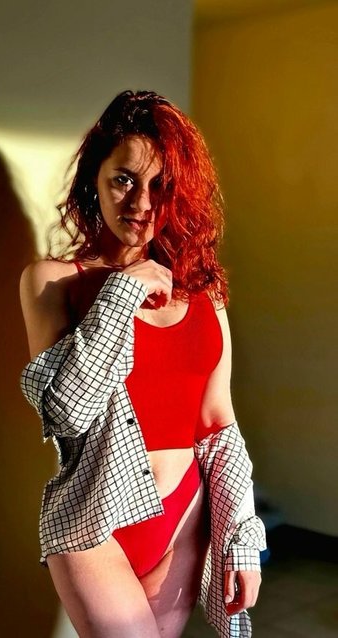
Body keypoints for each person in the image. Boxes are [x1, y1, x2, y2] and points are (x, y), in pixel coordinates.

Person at [20, 90, 266, 638]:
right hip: (93, 524)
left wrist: (242, 535)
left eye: (161, 186)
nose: (141, 202)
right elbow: (66, 410)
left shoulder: (205, 294)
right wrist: (123, 291)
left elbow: (218, 424)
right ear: (95, 178)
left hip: (183, 517)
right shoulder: (53, 281)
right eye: (124, 179)